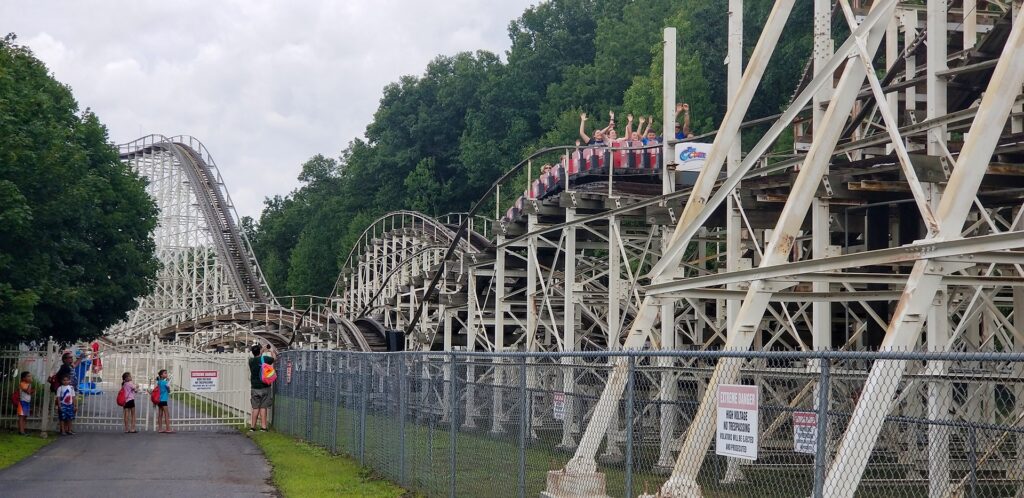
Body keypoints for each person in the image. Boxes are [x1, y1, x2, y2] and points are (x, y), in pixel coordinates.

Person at [248, 344, 276, 432]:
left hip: (255, 388)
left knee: (255, 408)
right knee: (263, 407)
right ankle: (263, 427)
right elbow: (274, 358)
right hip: (265, 386)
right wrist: (271, 350)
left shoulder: (251, 361)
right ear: (259, 351)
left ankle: (253, 427)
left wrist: (261, 350)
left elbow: (257, 356)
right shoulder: (265, 359)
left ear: (253, 352)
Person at [156, 369, 173, 433]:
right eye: (165, 373)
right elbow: (169, 391)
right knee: (166, 414)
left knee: (160, 415)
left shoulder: (159, 382)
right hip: (164, 400)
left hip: (159, 400)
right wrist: (168, 384)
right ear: (161, 375)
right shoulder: (165, 383)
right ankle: (168, 429)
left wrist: (167, 381)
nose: (166, 374)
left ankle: (160, 429)